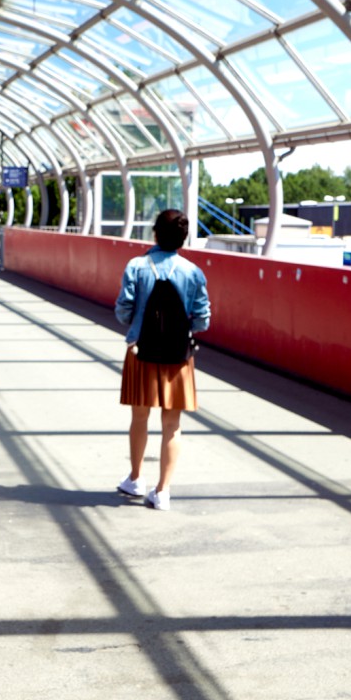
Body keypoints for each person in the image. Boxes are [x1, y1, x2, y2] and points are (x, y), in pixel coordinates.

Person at [114, 209, 210, 512]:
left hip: (142, 352)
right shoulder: (193, 272)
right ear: (183, 237)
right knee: (172, 424)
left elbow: (123, 310)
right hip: (177, 358)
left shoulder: (137, 266)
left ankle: (136, 478)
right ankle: (163, 491)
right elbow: (203, 319)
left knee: (139, 418)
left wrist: (137, 325)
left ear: (155, 233)